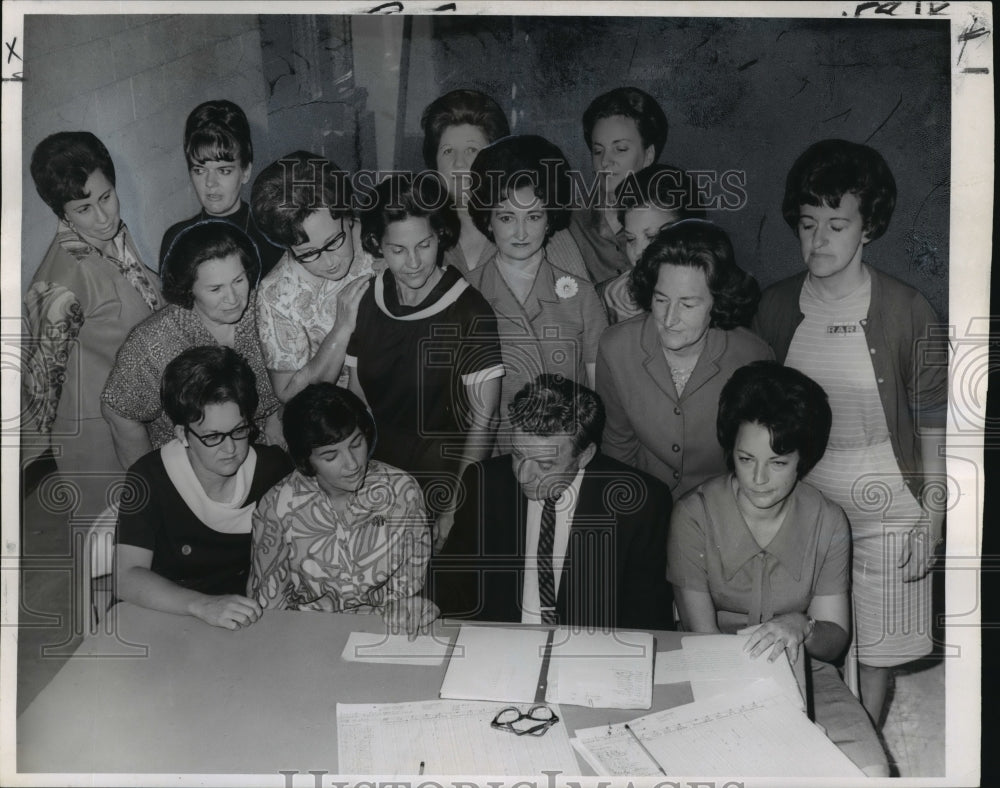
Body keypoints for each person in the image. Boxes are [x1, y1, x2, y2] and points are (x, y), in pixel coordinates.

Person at [753, 139, 948, 725]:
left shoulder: (909, 308)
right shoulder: (776, 307)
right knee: (807, 641)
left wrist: (933, 515)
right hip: (802, 500)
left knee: (880, 647)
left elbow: (937, 426)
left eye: (837, 225)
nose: (819, 240)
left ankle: (864, 744)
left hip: (888, 498)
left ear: (869, 228)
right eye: (808, 224)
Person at [667, 361, 889, 776]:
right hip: (712, 674)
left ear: (804, 459)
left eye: (779, 463)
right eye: (745, 458)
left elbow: (833, 642)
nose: (758, 478)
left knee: (871, 774)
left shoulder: (827, 519)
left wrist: (802, 626)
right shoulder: (693, 515)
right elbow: (704, 639)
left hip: (809, 671)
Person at [432, 374, 673, 631]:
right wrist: (428, 602)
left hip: (590, 654)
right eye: (517, 454)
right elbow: (453, 580)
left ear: (585, 455)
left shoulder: (640, 502)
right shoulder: (484, 483)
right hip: (501, 649)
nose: (523, 476)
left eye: (545, 465)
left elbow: (647, 617)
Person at [349, 173, 504, 547]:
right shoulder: (369, 298)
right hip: (376, 474)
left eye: (425, 244)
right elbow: (357, 399)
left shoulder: (470, 311)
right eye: (398, 250)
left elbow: (485, 420)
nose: (414, 262)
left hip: (442, 479)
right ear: (378, 246)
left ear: (440, 237)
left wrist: (453, 509)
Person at [23, 131, 163, 513]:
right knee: (112, 543)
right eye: (84, 208)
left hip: (140, 412)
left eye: (106, 197)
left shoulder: (113, 236)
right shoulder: (57, 282)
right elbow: (38, 389)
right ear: (61, 211)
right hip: (96, 437)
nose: (103, 217)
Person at [115, 346, 292, 630]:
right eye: (212, 436)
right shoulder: (149, 477)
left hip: (247, 620)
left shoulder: (274, 468)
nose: (231, 448)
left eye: (239, 430)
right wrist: (201, 605)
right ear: (183, 434)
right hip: (168, 615)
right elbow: (125, 577)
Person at [597, 220, 772, 497]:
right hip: (645, 502)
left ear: (718, 300)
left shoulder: (753, 357)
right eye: (661, 300)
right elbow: (618, 445)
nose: (669, 319)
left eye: (688, 304)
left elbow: (757, 461)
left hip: (721, 508)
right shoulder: (615, 347)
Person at [248, 384, 437, 636]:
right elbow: (269, 604)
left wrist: (411, 610)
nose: (352, 463)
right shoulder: (276, 507)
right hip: (306, 638)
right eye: (330, 456)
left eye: (356, 444)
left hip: (385, 632)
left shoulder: (403, 492)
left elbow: (412, 588)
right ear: (306, 460)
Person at [102, 220, 282, 470]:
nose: (232, 298)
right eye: (215, 288)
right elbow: (119, 411)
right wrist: (153, 480)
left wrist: (280, 411)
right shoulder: (154, 342)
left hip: (269, 444)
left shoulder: (266, 307)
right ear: (189, 289)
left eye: (239, 281)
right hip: (194, 464)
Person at [466, 134, 608, 446]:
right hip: (496, 461)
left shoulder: (582, 296)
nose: (520, 232)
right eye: (506, 217)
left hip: (568, 459)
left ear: (549, 219)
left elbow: (600, 398)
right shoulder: (464, 294)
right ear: (488, 220)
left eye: (533, 216)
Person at [420, 88, 591, 281]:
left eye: (471, 149)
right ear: (434, 163)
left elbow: (582, 300)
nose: (459, 163)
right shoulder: (420, 234)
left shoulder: (540, 230)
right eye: (448, 151)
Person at [251, 151, 377, 402]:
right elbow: (290, 395)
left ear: (348, 216)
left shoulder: (382, 242)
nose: (329, 262)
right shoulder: (275, 295)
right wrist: (341, 329)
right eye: (308, 253)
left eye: (334, 241)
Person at [159, 99, 283, 278]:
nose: (210, 182)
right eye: (200, 170)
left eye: (223, 170)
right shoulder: (176, 240)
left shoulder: (271, 235)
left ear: (246, 171)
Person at [568, 86, 669, 289]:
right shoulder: (569, 222)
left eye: (620, 149)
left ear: (648, 155)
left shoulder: (669, 219)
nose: (605, 161)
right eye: (598, 151)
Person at [602, 163, 707, 323]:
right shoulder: (610, 298)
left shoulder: (724, 295)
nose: (638, 252)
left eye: (652, 237)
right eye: (630, 239)